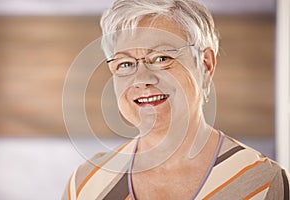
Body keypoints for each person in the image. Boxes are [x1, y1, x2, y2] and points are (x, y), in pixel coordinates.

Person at [62, 0, 290, 199]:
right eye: (126, 64)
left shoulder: (262, 182)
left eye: (162, 58)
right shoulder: (86, 185)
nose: (141, 79)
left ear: (206, 65)